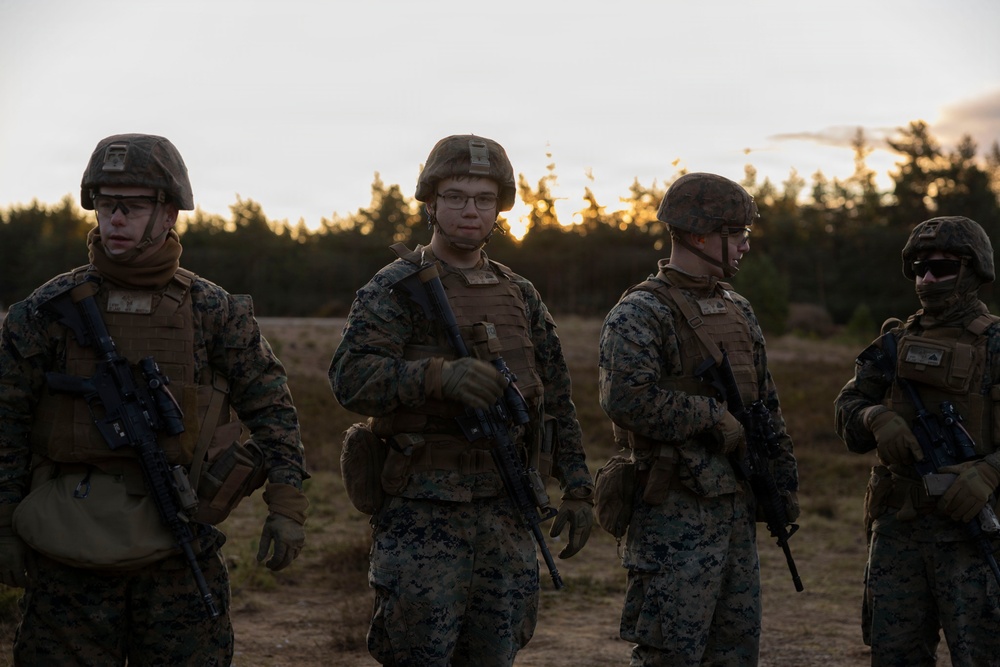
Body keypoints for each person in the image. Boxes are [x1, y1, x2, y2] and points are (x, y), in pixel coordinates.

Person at [0, 133, 309, 665]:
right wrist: (4, 522)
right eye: (105, 204)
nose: (115, 219)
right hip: (66, 549)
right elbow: (6, 418)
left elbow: (272, 409)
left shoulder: (213, 310)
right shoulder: (45, 311)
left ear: (169, 214)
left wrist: (287, 505)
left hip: (176, 543)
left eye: (133, 206)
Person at [329, 134, 594, 666]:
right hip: (424, 513)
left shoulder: (518, 292)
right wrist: (436, 377)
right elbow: (350, 379)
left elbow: (555, 398)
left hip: (507, 507)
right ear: (430, 202)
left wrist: (579, 486)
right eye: (455, 196)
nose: (470, 210)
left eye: (483, 199)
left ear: (499, 208)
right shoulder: (395, 288)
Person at [597, 172, 800, 665]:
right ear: (697, 235)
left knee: (735, 651)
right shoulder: (641, 311)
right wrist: (710, 415)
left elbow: (766, 404)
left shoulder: (738, 308)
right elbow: (625, 398)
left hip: (735, 507)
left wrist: (782, 482)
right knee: (670, 654)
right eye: (738, 234)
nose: (746, 245)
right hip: (673, 511)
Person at [834, 215, 1000, 666]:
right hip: (899, 532)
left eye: (941, 268)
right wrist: (875, 417)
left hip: (975, 535)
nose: (926, 279)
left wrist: (990, 471)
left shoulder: (996, 344)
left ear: (973, 270)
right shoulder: (894, 344)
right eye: (918, 268)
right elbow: (847, 407)